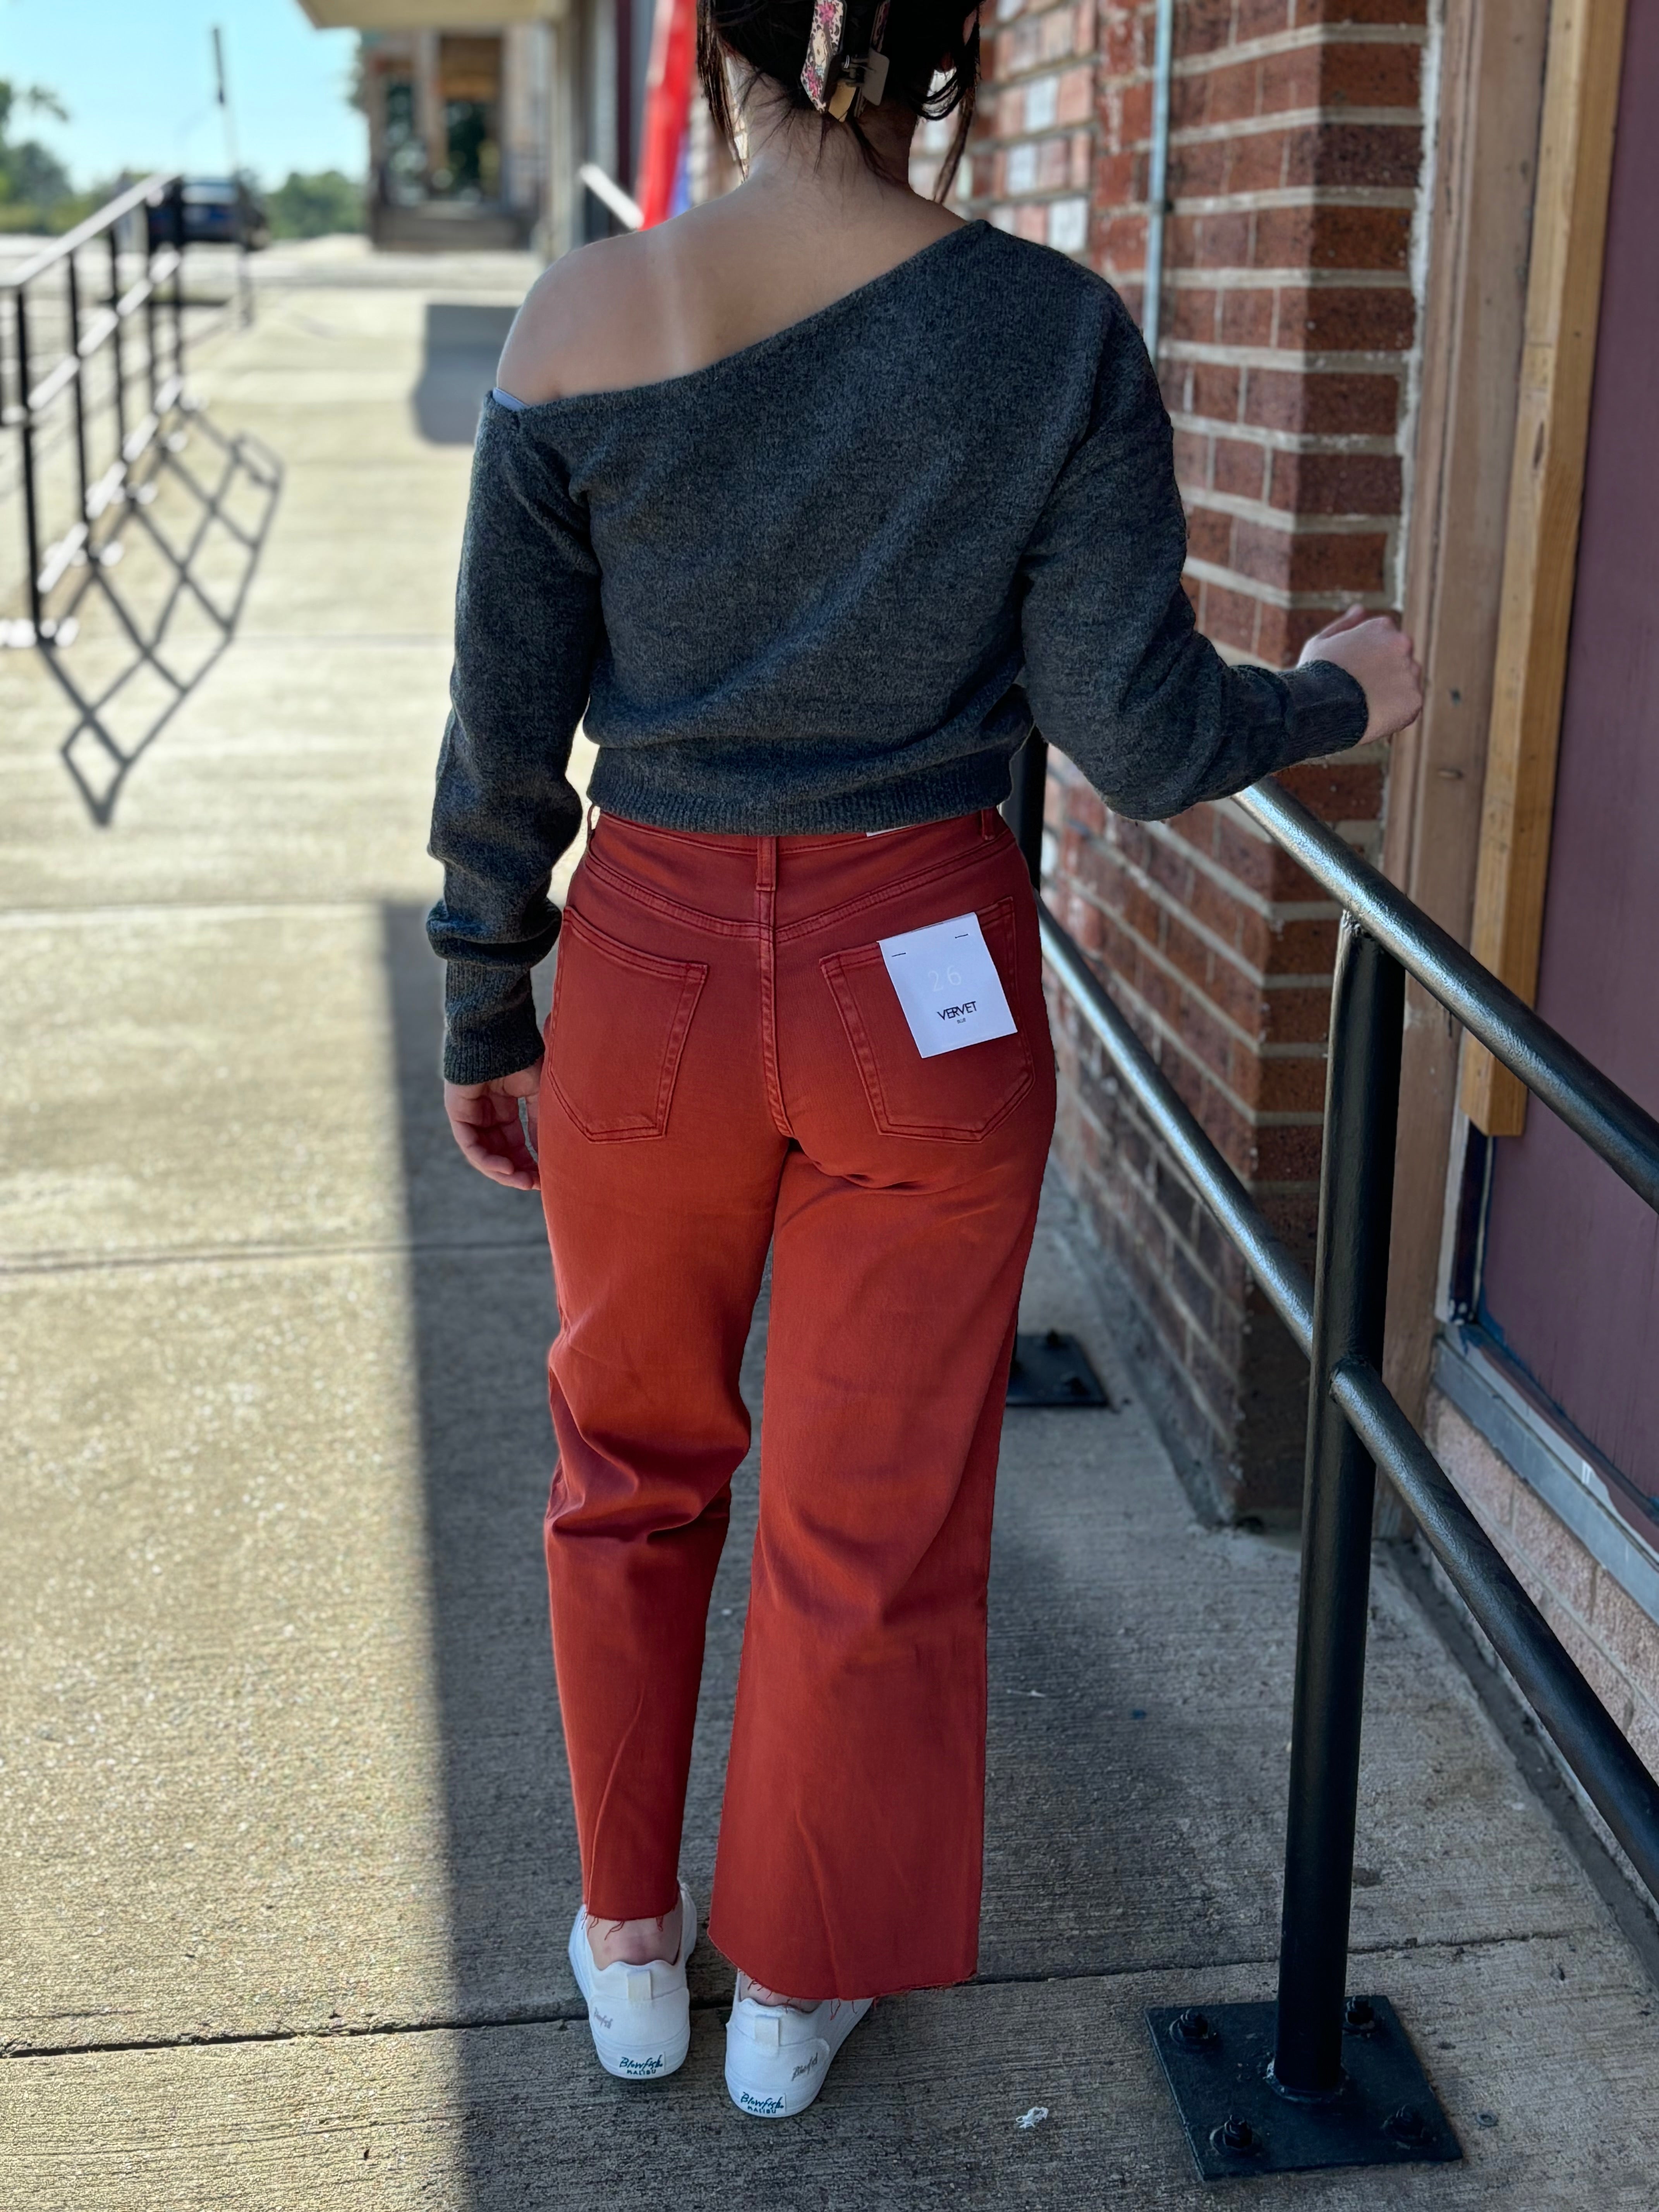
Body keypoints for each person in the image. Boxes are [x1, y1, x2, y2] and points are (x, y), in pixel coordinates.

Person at [426, 0, 1423, 2121]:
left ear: (743, 49)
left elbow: (506, 741)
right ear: (951, 55)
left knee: (626, 1463)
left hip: (653, 975)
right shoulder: (1048, 331)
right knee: (872, 1515)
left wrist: (482, 997)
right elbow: (1143, 737)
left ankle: (625, 1944)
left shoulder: (589, 310)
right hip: (923, 965)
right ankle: (793, 1981)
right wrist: (1335, 696)